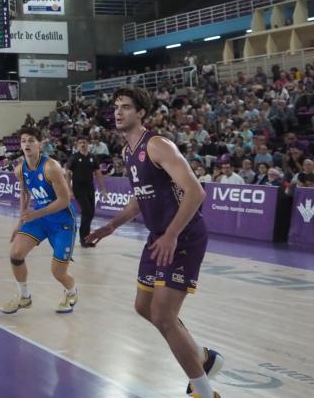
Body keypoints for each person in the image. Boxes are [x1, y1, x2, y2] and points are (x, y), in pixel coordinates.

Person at [85, 87, 224, 398]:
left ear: (141, 113)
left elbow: (196, 192)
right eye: (116, 107)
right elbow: (139, 200)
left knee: (163, 315)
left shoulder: (158, 145)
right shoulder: (127, 152)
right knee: (144, 307)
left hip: (183, 235)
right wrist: (110, 226)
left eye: (126, 107)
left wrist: (172, 234)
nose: (118, 112)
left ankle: (204, 391)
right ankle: (202, 356)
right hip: (158, 236)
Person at [0, 127, 79, 316]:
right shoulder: (20, 169)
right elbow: (25, 193)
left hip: (62, 222)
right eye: (23, 141)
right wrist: (20, 222)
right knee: (16, 254)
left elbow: (64, 200)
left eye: (31, 140)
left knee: (58, 272)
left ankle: (71, 292)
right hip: (41, 219)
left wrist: (36, 214)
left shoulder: (51, 167)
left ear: (40, 144)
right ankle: (24, 296)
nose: (27, 144)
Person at [65, 138, 107, 247]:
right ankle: (83, 239)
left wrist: (103, 190)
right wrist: (69, 190)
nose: (83, 144)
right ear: (77, 145)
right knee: (87, 211)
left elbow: (98, 174)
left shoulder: (93, 157)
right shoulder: (74, 157)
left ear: (88, 144)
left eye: (84, 142)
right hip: (78, 188)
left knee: (91, 213)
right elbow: (68, 174)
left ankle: (86, 239)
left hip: (90, 188)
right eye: (80, 143)